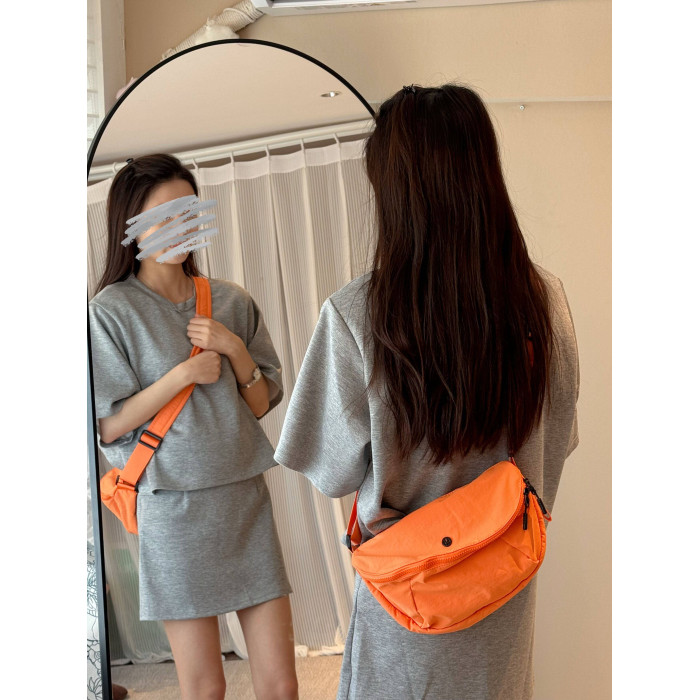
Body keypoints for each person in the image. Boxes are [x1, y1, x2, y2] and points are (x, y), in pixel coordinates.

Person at [274, 84, 580, 700]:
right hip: (503, 589)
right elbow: (557, 443)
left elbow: (329, 471)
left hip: (407, 595)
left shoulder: (356, 314)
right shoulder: (544, 302)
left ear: (395, 191)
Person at [88, 154, 299, 700]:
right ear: (131, 225)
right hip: (172, 511)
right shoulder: (110, 311)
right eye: (163, 216)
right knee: (205, 688)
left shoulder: (230, 299)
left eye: (188, 213)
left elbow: (261, 403)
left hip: (243, 499)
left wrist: (233, 349)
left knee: (281, 685)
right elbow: (107, 425)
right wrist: (182, 374)